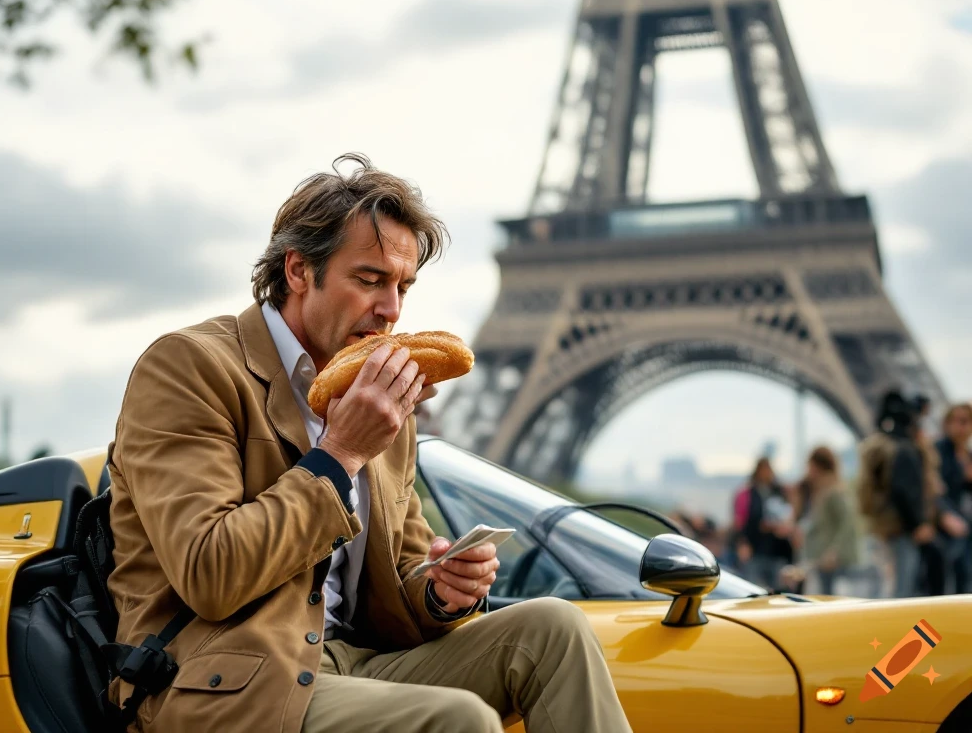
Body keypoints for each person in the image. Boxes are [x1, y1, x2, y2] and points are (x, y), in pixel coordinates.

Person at [105, 154, 631, 733]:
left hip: (354, 664)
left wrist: (438, 592)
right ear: (299, 271)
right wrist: (339, 455)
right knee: (459, 720)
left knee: (556, 629)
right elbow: (210, 572)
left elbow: (397, 578)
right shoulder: (189, 367)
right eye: (369, 280)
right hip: (225, 685)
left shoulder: (380, 392)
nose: (392, 310)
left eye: (403, 285)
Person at [857, 391, 936, 598]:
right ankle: (894, 631)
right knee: (902, 589)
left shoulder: (880, 445)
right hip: (901, 528)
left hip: (884, 525)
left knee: (891, 585)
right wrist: (917, 524)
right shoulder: (902, 448)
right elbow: (903, 490)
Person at [795, 447, 860, 595]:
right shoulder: (819, 489)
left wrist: (834, 552)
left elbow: (847, 523)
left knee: (829, 601)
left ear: (818, 466)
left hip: (830, 560)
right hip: (819, 560)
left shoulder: (834, 491)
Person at [732, 457, 796, 591]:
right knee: (753, 589)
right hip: (755, 548)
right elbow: (741, 522)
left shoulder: (779, 492)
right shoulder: (748, 494)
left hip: (776, 550)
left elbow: (789, 514)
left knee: (780, 589)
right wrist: (742, 542)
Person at [935, 403, 972, 593]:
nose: (963, 427)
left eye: (967, 422)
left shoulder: (967, 456)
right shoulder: (937, 452)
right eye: (958, 421)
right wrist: (943, 515)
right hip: (943, 529)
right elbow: (931, 489)